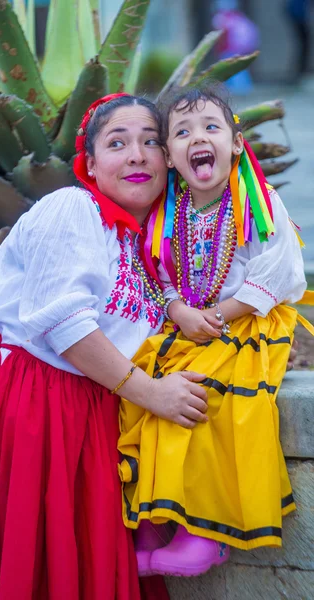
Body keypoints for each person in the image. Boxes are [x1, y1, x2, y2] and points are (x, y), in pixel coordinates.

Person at [0, 93, 211, 600]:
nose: (137, 155)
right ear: (91, 165)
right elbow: (63, 319)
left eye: (151, 142)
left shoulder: (149, 250)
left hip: (88, 411)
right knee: (0, 562)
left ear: (170, 160)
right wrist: (153, 394)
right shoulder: (73, 208)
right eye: (118, 143)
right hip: (21, 404)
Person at [118, 84, 313, 578]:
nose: (197, 137)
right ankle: (152, 517)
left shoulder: (258, 201)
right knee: (144, 390)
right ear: (169, 155)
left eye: (210, 127)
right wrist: (179, 308)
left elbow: (284, 271)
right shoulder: (170, 212)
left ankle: (202, 535)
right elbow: (158, 272)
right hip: (191, 326)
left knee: (206, 398)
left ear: (235, 143)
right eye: (181, 132)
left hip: (248, 324)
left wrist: (221, 313)